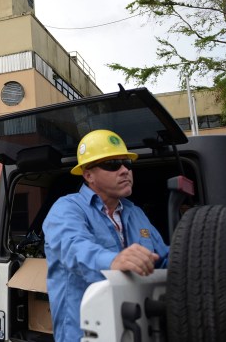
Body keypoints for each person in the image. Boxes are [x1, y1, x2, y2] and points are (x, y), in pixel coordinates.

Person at [43, 129, 169, 342]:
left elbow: (163, 258)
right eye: (112, 164)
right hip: (83, 334)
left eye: (127, 163)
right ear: (88, 175)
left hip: (133, 329)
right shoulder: (67, 208)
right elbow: (74, 248)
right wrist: (113, 261)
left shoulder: (135, 213)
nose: (124, 170)